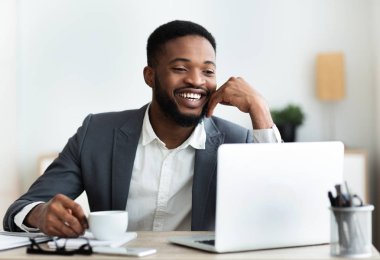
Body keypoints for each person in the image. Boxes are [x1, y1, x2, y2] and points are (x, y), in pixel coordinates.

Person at [3, 20, 281, 237]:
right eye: (181, 68)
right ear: (150, 76)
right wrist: (40, 215)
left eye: (208, 71)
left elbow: (277, 214)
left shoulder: (235, 141)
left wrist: (260, 109)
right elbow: (19, 210)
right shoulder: (96, 133)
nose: (196, 81)